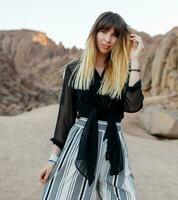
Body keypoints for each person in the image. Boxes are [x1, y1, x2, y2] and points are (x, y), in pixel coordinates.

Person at [39, 11, 144, 200]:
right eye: (104, 32)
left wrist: (134, 60)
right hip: (80, 142)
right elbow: (66, 117)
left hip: (113, 144)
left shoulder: (122, 71)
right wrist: (52, 159)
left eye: (114, 35)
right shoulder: (75, 69)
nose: (108, 39)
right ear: (94, 33)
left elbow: (133, 105)